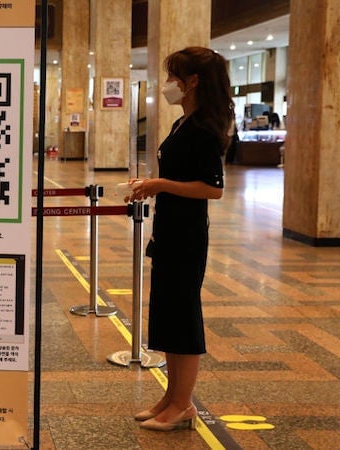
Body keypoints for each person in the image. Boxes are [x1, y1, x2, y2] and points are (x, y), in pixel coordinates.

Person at [128, 47, 232, 431]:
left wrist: (159, 184)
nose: (169, 84)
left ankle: (184, 403)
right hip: (169, 230)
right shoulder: (182, 123)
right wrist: (153, 188)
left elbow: (212, 188)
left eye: (175, 77)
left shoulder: (205, 128)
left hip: (188, 236)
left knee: (184, 317)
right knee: (168, 316)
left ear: (193, 82)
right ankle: (170, 398)